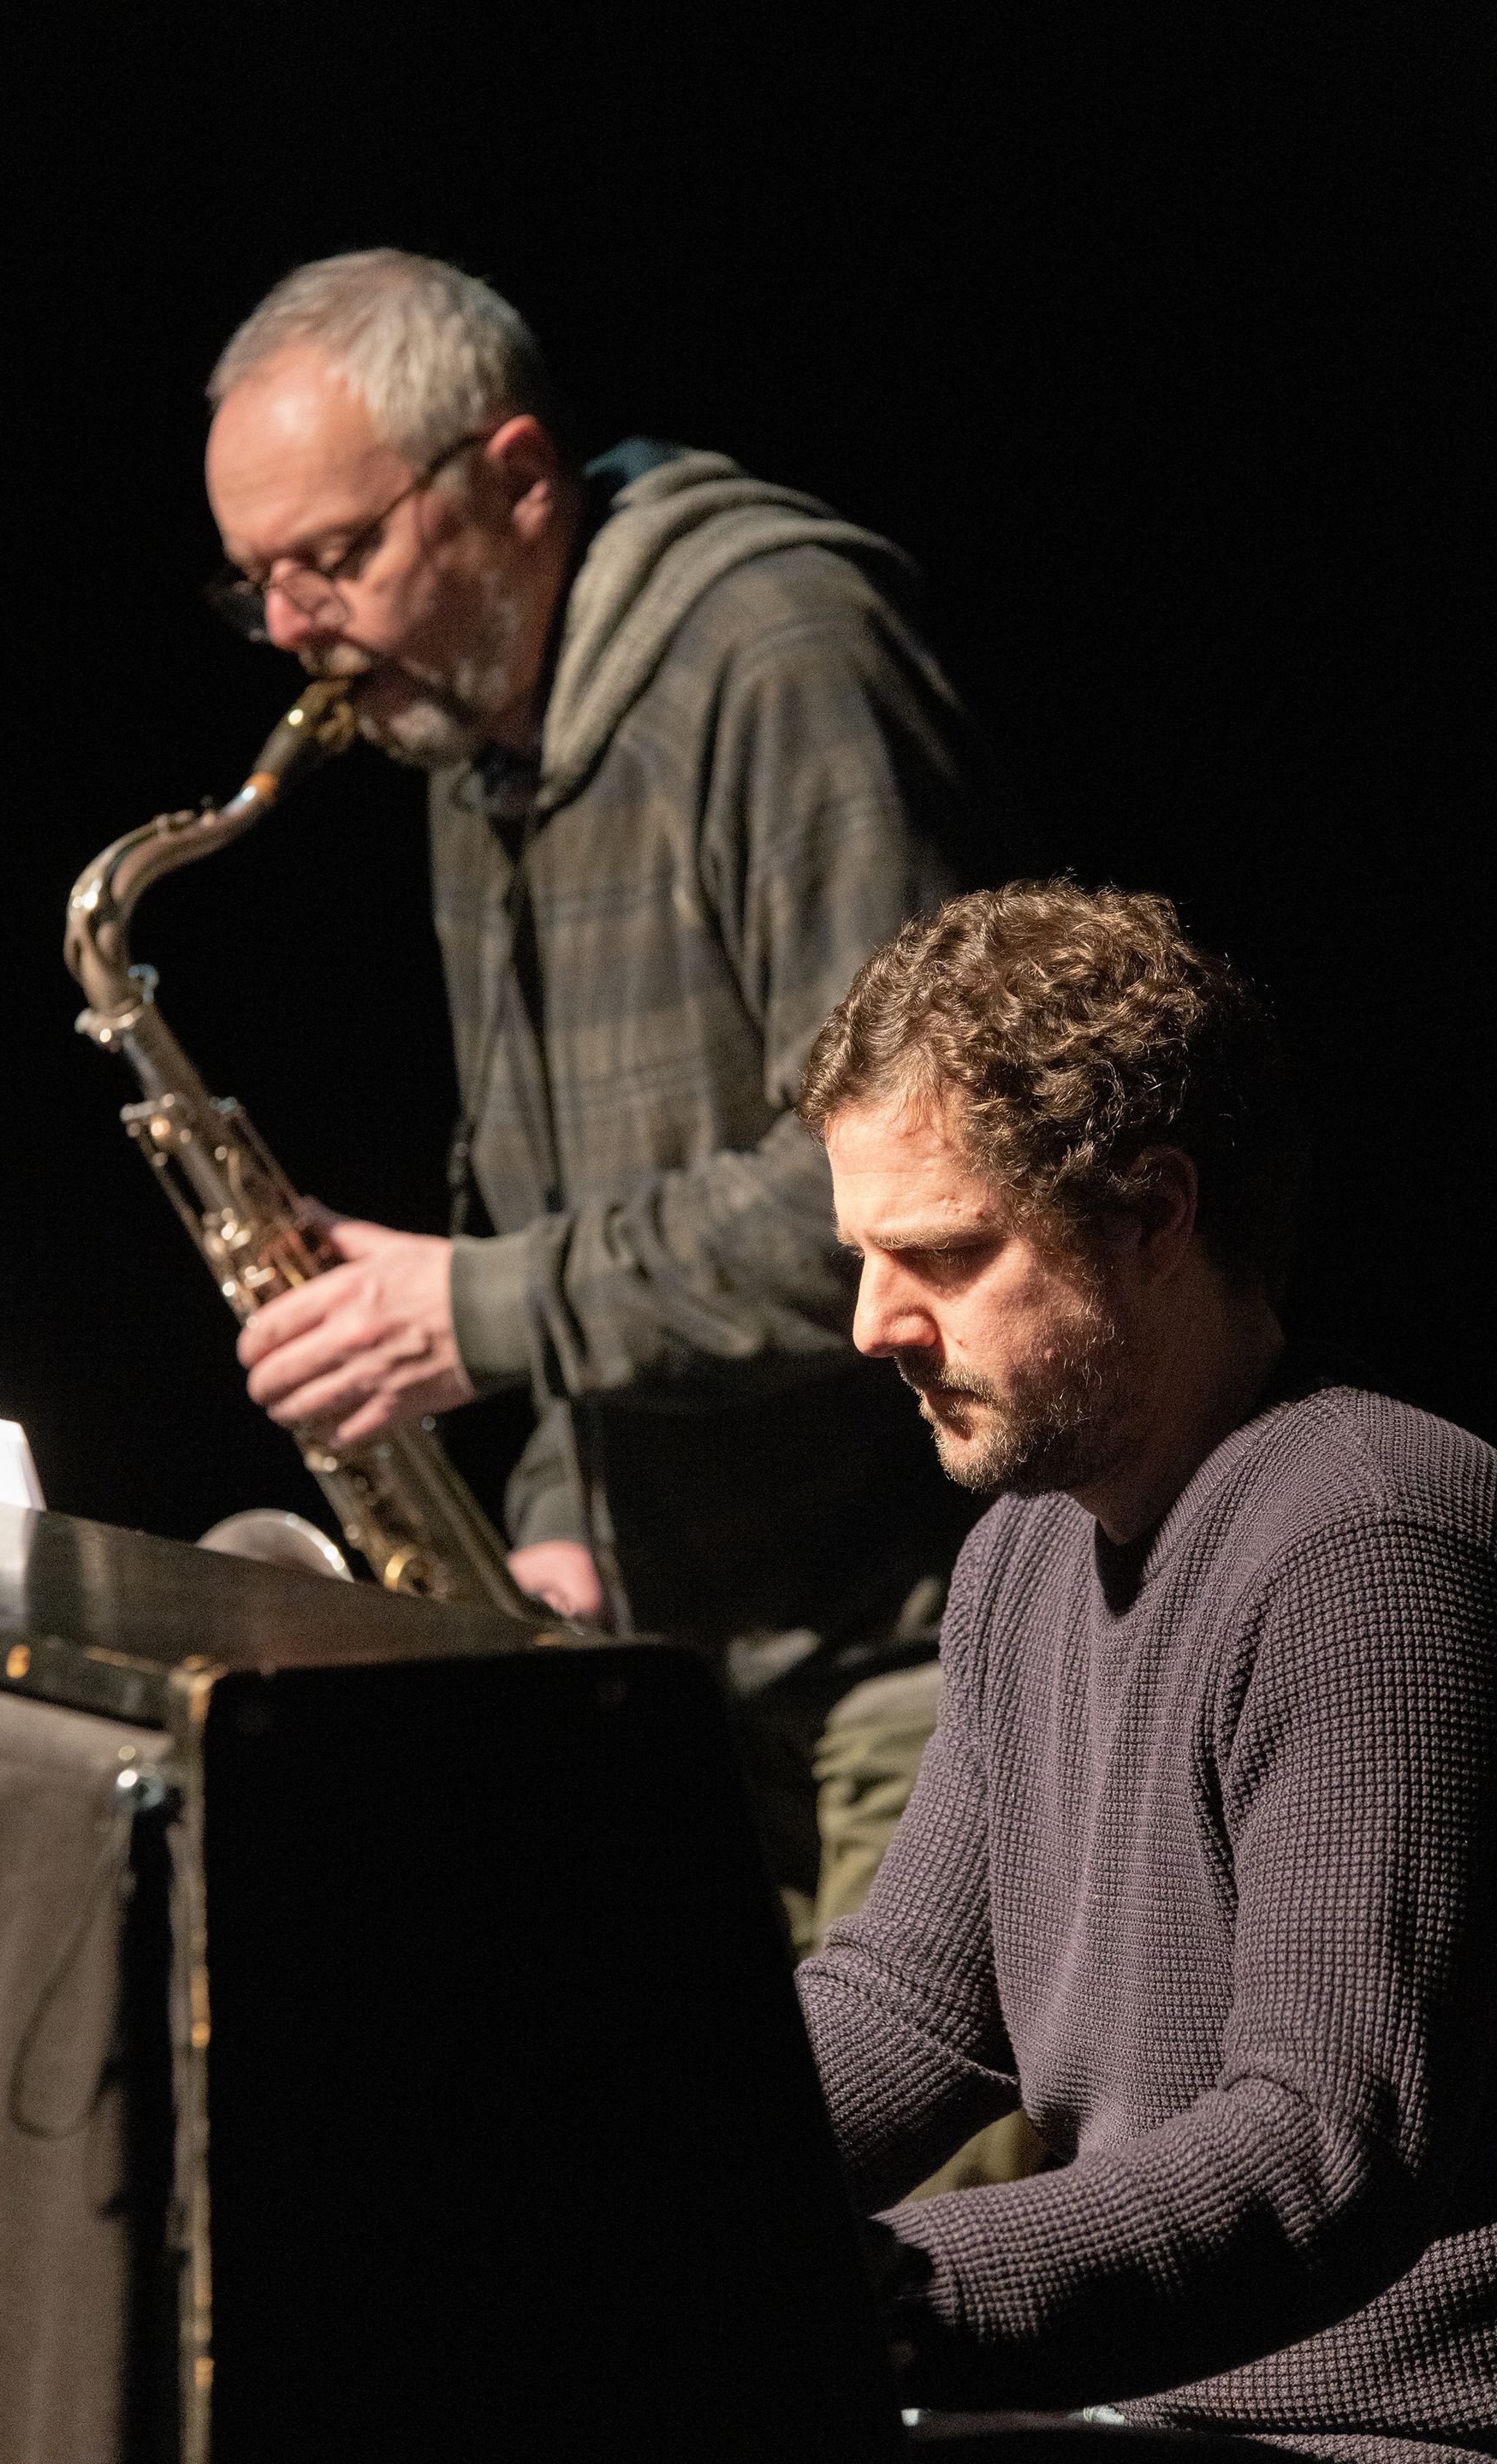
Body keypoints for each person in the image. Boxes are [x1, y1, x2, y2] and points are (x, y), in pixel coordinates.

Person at [201, 248, 1001, 1904]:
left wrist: (476, 1313)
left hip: (911, 1661)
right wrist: (557, 1511)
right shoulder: (468, 722)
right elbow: (562, 1184)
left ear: (516, 475)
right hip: (674, 1655)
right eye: (256, 584)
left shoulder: (782, 653)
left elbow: (917, 1194)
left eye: (333, 561)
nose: (290, 635)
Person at [796, 881, 1497, 2443]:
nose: (873, 1324)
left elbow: (1322, 2143)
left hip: (1374, 2433)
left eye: (942, 1254)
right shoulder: (1024, 1552)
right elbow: (913, 2008)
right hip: (1154, 2416)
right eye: (861, 1257)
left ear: (1155, 1214)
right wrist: (616, 2180)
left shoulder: (1367, 1545)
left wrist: (886, 2303)